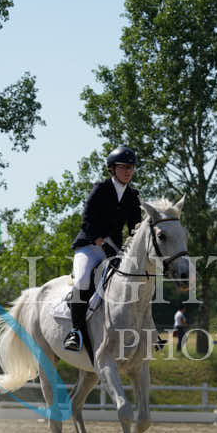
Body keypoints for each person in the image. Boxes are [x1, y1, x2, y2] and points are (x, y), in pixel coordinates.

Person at [64, 145, 142, 352]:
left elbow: (135, 226)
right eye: (123, 167)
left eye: (131, 167)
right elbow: (87, 220)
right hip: (90, 246)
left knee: (136, 280)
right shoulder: (101, 189)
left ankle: (147, 330)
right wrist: (99, 240)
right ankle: (75, 331)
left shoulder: (133, 195)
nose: (128, 171)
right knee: (82, 280)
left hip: (114, 249)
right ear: (112, 168)